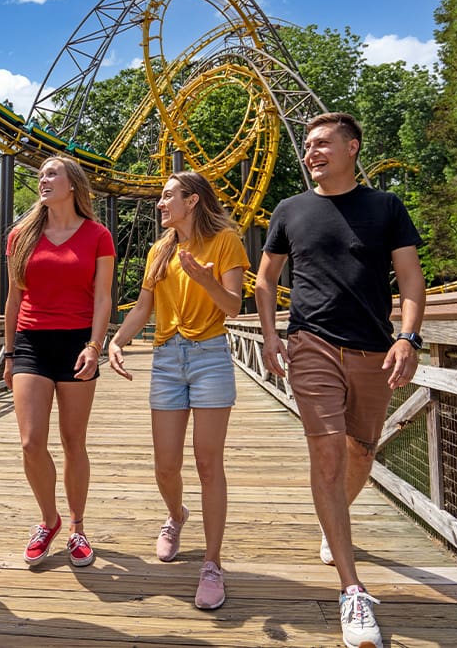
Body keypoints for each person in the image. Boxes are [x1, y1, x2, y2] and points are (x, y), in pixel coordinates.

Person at [254, 112, 425, 648]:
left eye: (323, 143)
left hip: (374, 349)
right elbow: (264, 279)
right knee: (327, 451)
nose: (311, 153)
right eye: (307, 146)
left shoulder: (386, 207)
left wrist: (409, 338)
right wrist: (271, 335)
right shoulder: (291, 209)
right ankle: (352, 590)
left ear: (352, 147)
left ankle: (335, 522)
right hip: (312, 345)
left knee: (361, 451)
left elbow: (412, 280)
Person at [108, 171, 249, 610]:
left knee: (208, 463)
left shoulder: (225, 240)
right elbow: (144, 307)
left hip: (209, 355)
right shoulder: (159, 249)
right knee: (165, 465)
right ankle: (176, 515)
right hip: (168, 358)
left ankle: (212, 563)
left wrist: (205, 280)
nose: (160, 203)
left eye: (168, 196)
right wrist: (115, 340)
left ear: (192, 200)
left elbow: (233, 305)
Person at [3, 155, 115, 569]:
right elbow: (14, 298)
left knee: (73, 442)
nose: (43, 179)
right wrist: (10, 352)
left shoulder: (98, 235)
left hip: (76, 343)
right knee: (31, 442)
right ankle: (48, 520)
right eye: (41, 174)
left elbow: (103, 297)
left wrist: (95, 344)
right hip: (31, 341)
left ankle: (77, 526)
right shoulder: (22, 235)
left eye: (52, 173)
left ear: (73, 184)